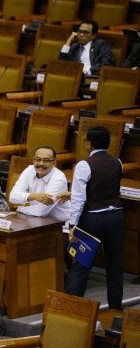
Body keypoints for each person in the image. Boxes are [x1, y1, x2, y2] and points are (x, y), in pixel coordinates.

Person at [66, 126, 124, 310]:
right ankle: (116, 310)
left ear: (88, 143)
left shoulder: (84, 165)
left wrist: (73, 224)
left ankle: (71, 308)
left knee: (82, 264)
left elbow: (78, 199)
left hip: (92, 220)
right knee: (115, 265)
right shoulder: (118, 162)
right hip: (116, 217)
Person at [9, 146, 72, 270]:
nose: (41, 164)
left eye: (46, 160)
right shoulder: (29, 170)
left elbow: (41, 211)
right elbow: (12, 197)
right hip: (35, 223)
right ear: (33, 160)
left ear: (54, 162)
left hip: (60, 226)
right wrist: (34, 196)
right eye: (37, 159)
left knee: (55, 256)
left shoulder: (58, 179)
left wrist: (21, 209)